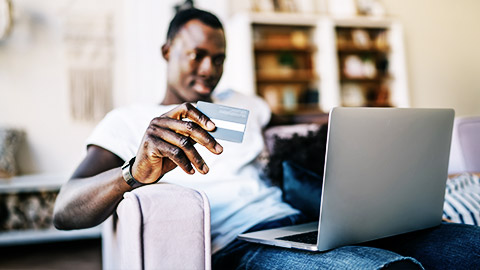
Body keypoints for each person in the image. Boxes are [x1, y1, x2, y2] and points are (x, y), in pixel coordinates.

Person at [54, 8, 480, 269]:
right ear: (167, 52)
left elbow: (299, 128)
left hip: (301, 225)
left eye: (218, 58)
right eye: (196, 55)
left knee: (466, 247)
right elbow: (65, 210)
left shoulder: (245, 103)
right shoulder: (128, 121)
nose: (208, 69)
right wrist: (132, 172)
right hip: (238, 245)